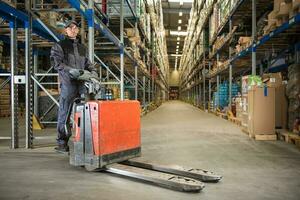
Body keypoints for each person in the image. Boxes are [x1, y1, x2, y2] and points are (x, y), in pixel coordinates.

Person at [50, 21, 97, 153]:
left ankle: (87, 142)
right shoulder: (59, 46)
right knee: (64, 113)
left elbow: (88, 63)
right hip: (68, 84)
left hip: (82, 84)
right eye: (71, 28)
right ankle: (62, 143)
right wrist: (70, 71)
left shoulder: (82, 47)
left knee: (87, 112)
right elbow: (56, 63)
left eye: (76, 28)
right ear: (65, 30)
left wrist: (93, 72)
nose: (74, 30)